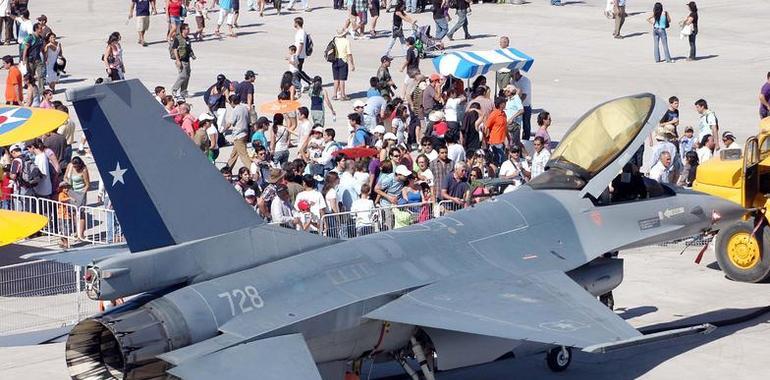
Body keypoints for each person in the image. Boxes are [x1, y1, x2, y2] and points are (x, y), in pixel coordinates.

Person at [63, 156, 89, 239]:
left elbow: (87, 184)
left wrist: (82, 195)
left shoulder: (84, 170)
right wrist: (67, 182)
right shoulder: (70, 166)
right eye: (74, 166)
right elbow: (65, 177)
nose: (75, 168)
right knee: (74, 212)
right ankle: (77, 231)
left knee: (81, 213)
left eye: (76, 166)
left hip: (81, 192)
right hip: (72, 191)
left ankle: (80, 234)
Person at [225, 94, 251, 169]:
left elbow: (230, 123)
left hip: (238, 135)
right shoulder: (244, 108)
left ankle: (253, 171)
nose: (230, 104)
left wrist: (222, 130)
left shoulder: (235, 110)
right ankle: (228, 169)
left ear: (232, 102)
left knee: (244, 156)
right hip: (245, 134)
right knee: (234, 154)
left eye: (230, 102)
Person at [171, 24, 195, 99]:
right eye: (187, 29)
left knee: (187, 76)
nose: (188, 30)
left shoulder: (187, 39)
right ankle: (174, 89)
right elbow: (175, 49)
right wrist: (178, 60)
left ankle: (183, 92)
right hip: (181, 60)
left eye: (188, 29)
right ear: (183, 30)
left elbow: (189, 48)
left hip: (187, 60)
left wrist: (192, 55)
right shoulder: (178, 38)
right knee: (183, 75)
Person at [332, 28, 355, 100]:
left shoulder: (335, 40)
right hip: (343, 61)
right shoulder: (346, 41)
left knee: (336, 79)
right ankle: (342, 95)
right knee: (342, 80)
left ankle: (335, 95)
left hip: (334, 60)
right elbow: (349, 54)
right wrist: (352, 64)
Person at [22, 21, 44, 90]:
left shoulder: (40, 38)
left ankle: (41, 90)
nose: (41, 30)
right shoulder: (30, 38)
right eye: (40, 28)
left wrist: (45, 57)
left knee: (41, 75)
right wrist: (24, 59)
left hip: (38, 60)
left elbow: (41, 49)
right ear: (36, 29)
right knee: (31, 76)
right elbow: (25, 49)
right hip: (30, 60)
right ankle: (32, 89)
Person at [486, 96, 508, 166]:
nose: (505, 104)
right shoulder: (494, 114)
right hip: (495, 142)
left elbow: (505, 127)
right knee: (501, 160)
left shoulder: (504, 114)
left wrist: (508, 139)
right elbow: (486, 126)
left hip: (502, 141)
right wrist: (487, 139)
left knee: (502, 160)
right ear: (501, 104)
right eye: (504, 103)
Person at [293, 17, 313, 89]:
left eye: (294, 22)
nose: (293, 24)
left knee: (298, 71)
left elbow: (301, 44)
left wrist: (297, 55)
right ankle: (298, 84)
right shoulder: (300, 32)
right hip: (299, 54)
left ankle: (309, 81)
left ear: (297, 23)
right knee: (298, 71)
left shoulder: (301, 32)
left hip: (300, 55)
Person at [512, 70, 532, 140]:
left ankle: (526, 139)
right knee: (517, 125)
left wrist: (517, 104)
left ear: (517, 74)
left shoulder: (525, 81)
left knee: (526, 124)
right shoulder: (513, 81)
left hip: (525, 105)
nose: (512, 78)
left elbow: (524, 95)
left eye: (512, 76)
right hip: (517, 107)